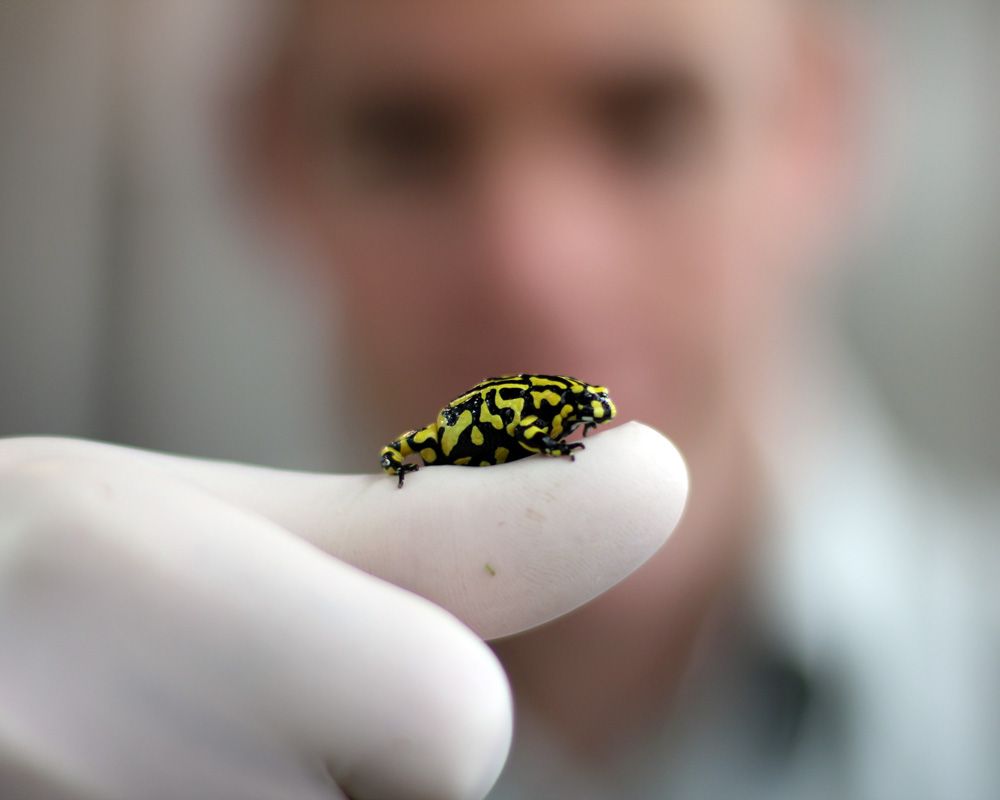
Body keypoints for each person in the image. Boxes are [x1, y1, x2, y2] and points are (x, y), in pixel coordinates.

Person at [0, 2, 995, 800]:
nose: (533, 264)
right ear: (267, 159)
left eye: (644, 118)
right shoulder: (135, 691)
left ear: (819, 126)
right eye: (409, 136)